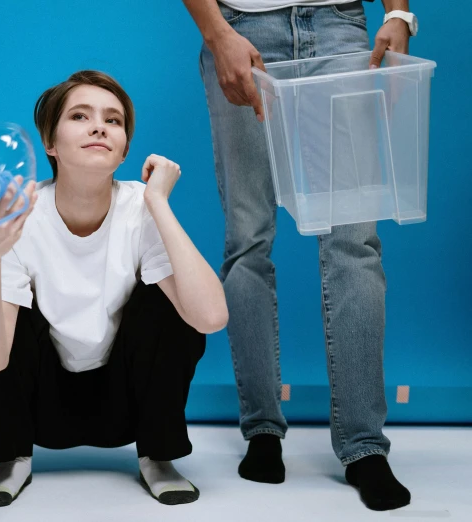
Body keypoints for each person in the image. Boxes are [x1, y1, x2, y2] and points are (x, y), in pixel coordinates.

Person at [182, 0, 416, 511]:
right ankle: (262, 429)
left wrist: (399, 14)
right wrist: (216, 33)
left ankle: (364, 446)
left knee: (353, 239)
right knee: (248, 237)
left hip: (339, 25)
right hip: (241, 29)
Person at [0, 70, 229, 507]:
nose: (100, 126)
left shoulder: (139, 205)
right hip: (41, 401)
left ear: (123, 150)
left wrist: (158, 203)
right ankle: (11, 458)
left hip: (124, 399)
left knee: (167, 298)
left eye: (114, 121)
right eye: (80, 116)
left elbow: (210, 317)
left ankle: (158, 456)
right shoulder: (21, 214)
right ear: (51, 143)